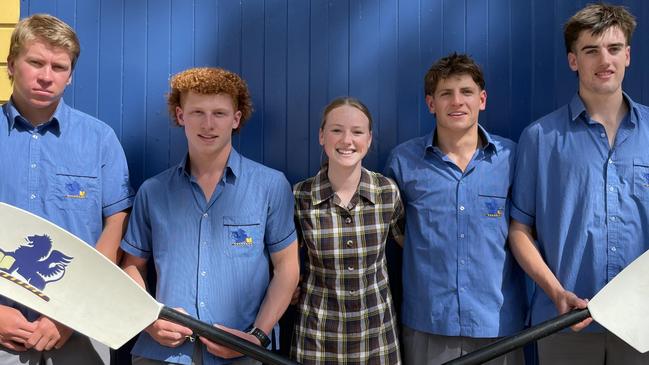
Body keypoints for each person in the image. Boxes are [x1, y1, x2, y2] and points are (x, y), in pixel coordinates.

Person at [120, 67, 299, 365]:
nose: (208, 124)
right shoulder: (153, 191)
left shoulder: (270, 186)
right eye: (197, 112)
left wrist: (258, 336)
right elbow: (131, 266)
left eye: (219, 113)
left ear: (236, 118)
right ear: (180, 116)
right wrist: (150, 320)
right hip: (162, 355)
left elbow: (287, 268)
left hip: (243, 354)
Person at [509, 4, 649, 364]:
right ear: (573, 61)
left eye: (614, 48)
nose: (605, 59)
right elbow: (519, 229)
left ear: (628, 55)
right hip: (565, 322)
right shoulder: (540, 138)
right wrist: (556, 292)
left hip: (642, 324)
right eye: (591, 50)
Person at [0, 13, 133, 365]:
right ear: (12, 64)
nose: (46, 76)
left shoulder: (100, 140)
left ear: (71, 75)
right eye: (35, 62)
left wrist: (72, 312)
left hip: (79, 328)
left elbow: (116, 225)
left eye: (59, 67)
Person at [385, 53, 526, 365]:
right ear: (431, 103)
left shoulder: (512, 158)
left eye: (466, 92)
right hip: (429, 322)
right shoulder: (403, 162)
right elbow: (396, 233)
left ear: (482, 99)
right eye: (445, 94)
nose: (457, 102)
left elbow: (526, 231)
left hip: (498, 323)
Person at [291, 97, 403, 364]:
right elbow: (284, 265)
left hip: (377, 337)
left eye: (357, 131)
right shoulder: (300, 196)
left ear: (369, 138)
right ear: (321, 136)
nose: (347, 140)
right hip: (317, 337)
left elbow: (411, 246)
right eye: (336, 130)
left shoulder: (387, 192)